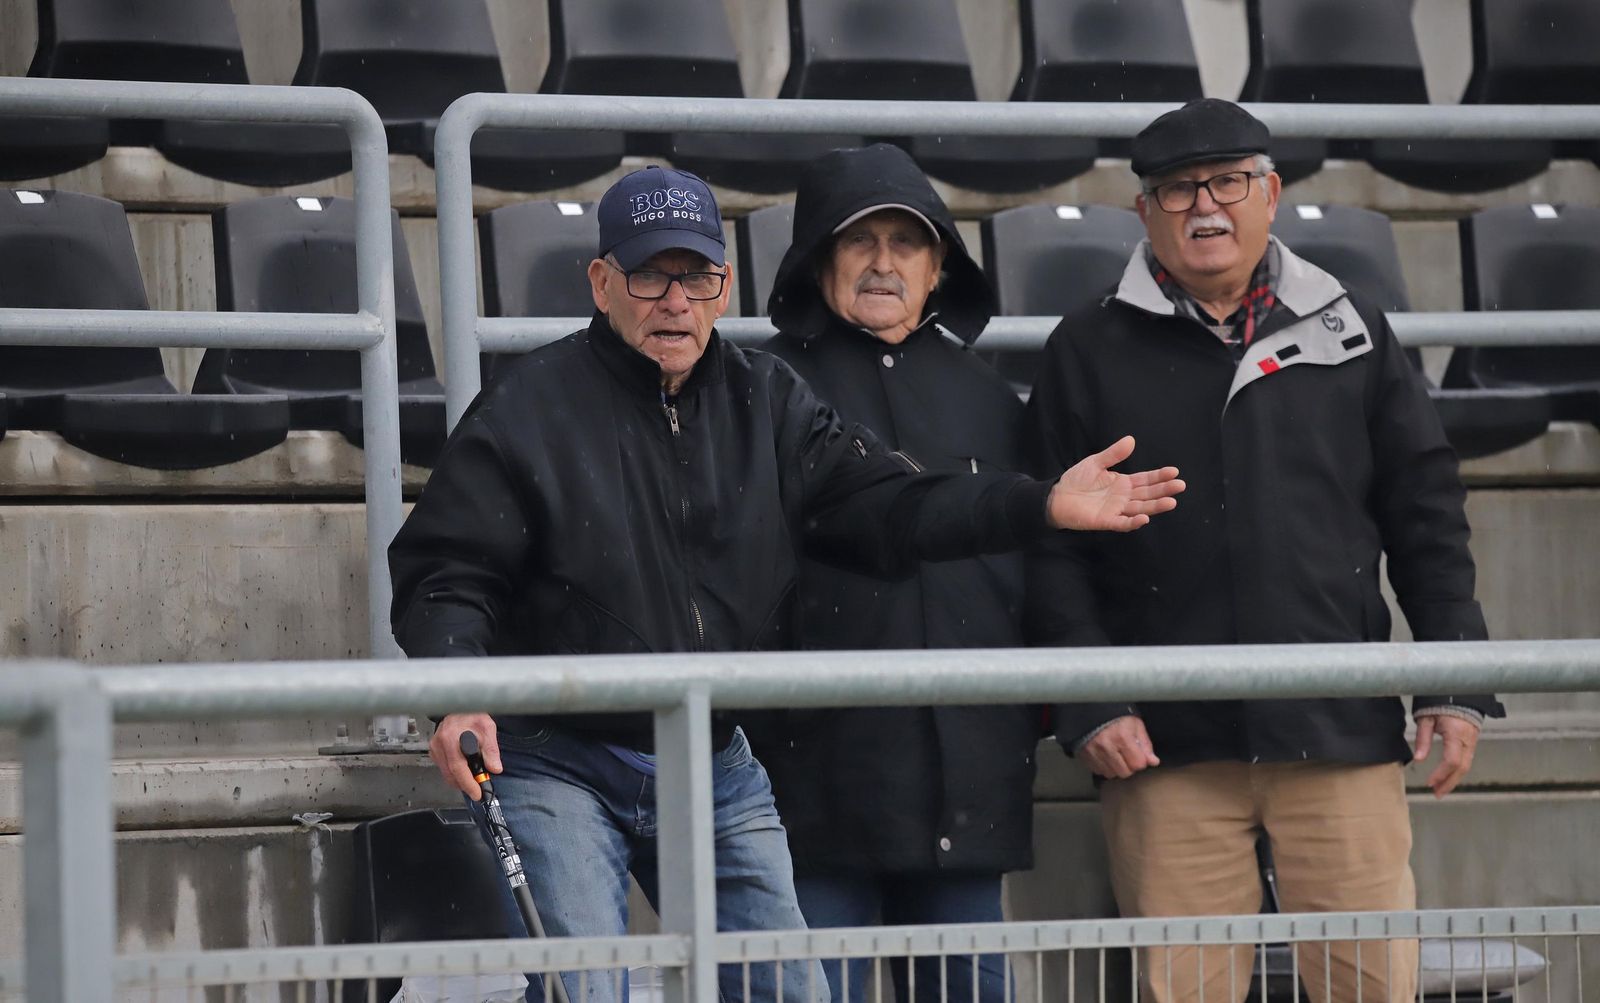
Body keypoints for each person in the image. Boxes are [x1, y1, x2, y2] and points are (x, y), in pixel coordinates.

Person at [389, 164, 1185, 1003]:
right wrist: (461, 689)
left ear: (725, 284)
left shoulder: (767, 397)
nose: (675, 300)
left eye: (696, 275)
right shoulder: (529, 405)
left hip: (714, 755)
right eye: (650, 274)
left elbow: (890, 505)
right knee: (585, 992)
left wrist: (1039, 505)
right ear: (600, 281)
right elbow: (445, 572)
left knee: (788, 993)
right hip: (558, 757)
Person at [1024, 98, 1505, 1003]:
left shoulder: (1350, 326)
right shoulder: (1083, 348)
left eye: (1229, 182)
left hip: (1339, 737)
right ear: (1144, 212)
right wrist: (1089, 699)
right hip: (1164, 748)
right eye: (1177, 189)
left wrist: (1453, 675)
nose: (1206, 206)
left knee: (1371, 988)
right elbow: (1050, 551)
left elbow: (1425, 510)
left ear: (1271, 192)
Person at [753, 143, 1036, 1003]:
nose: (883, 263)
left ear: (939, 263)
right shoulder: (759, 387)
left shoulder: (990, 396)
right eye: (859, 241)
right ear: (817, 258)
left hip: (969, 784)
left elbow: (1031, 566)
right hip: (812, 787)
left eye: (905, 242)